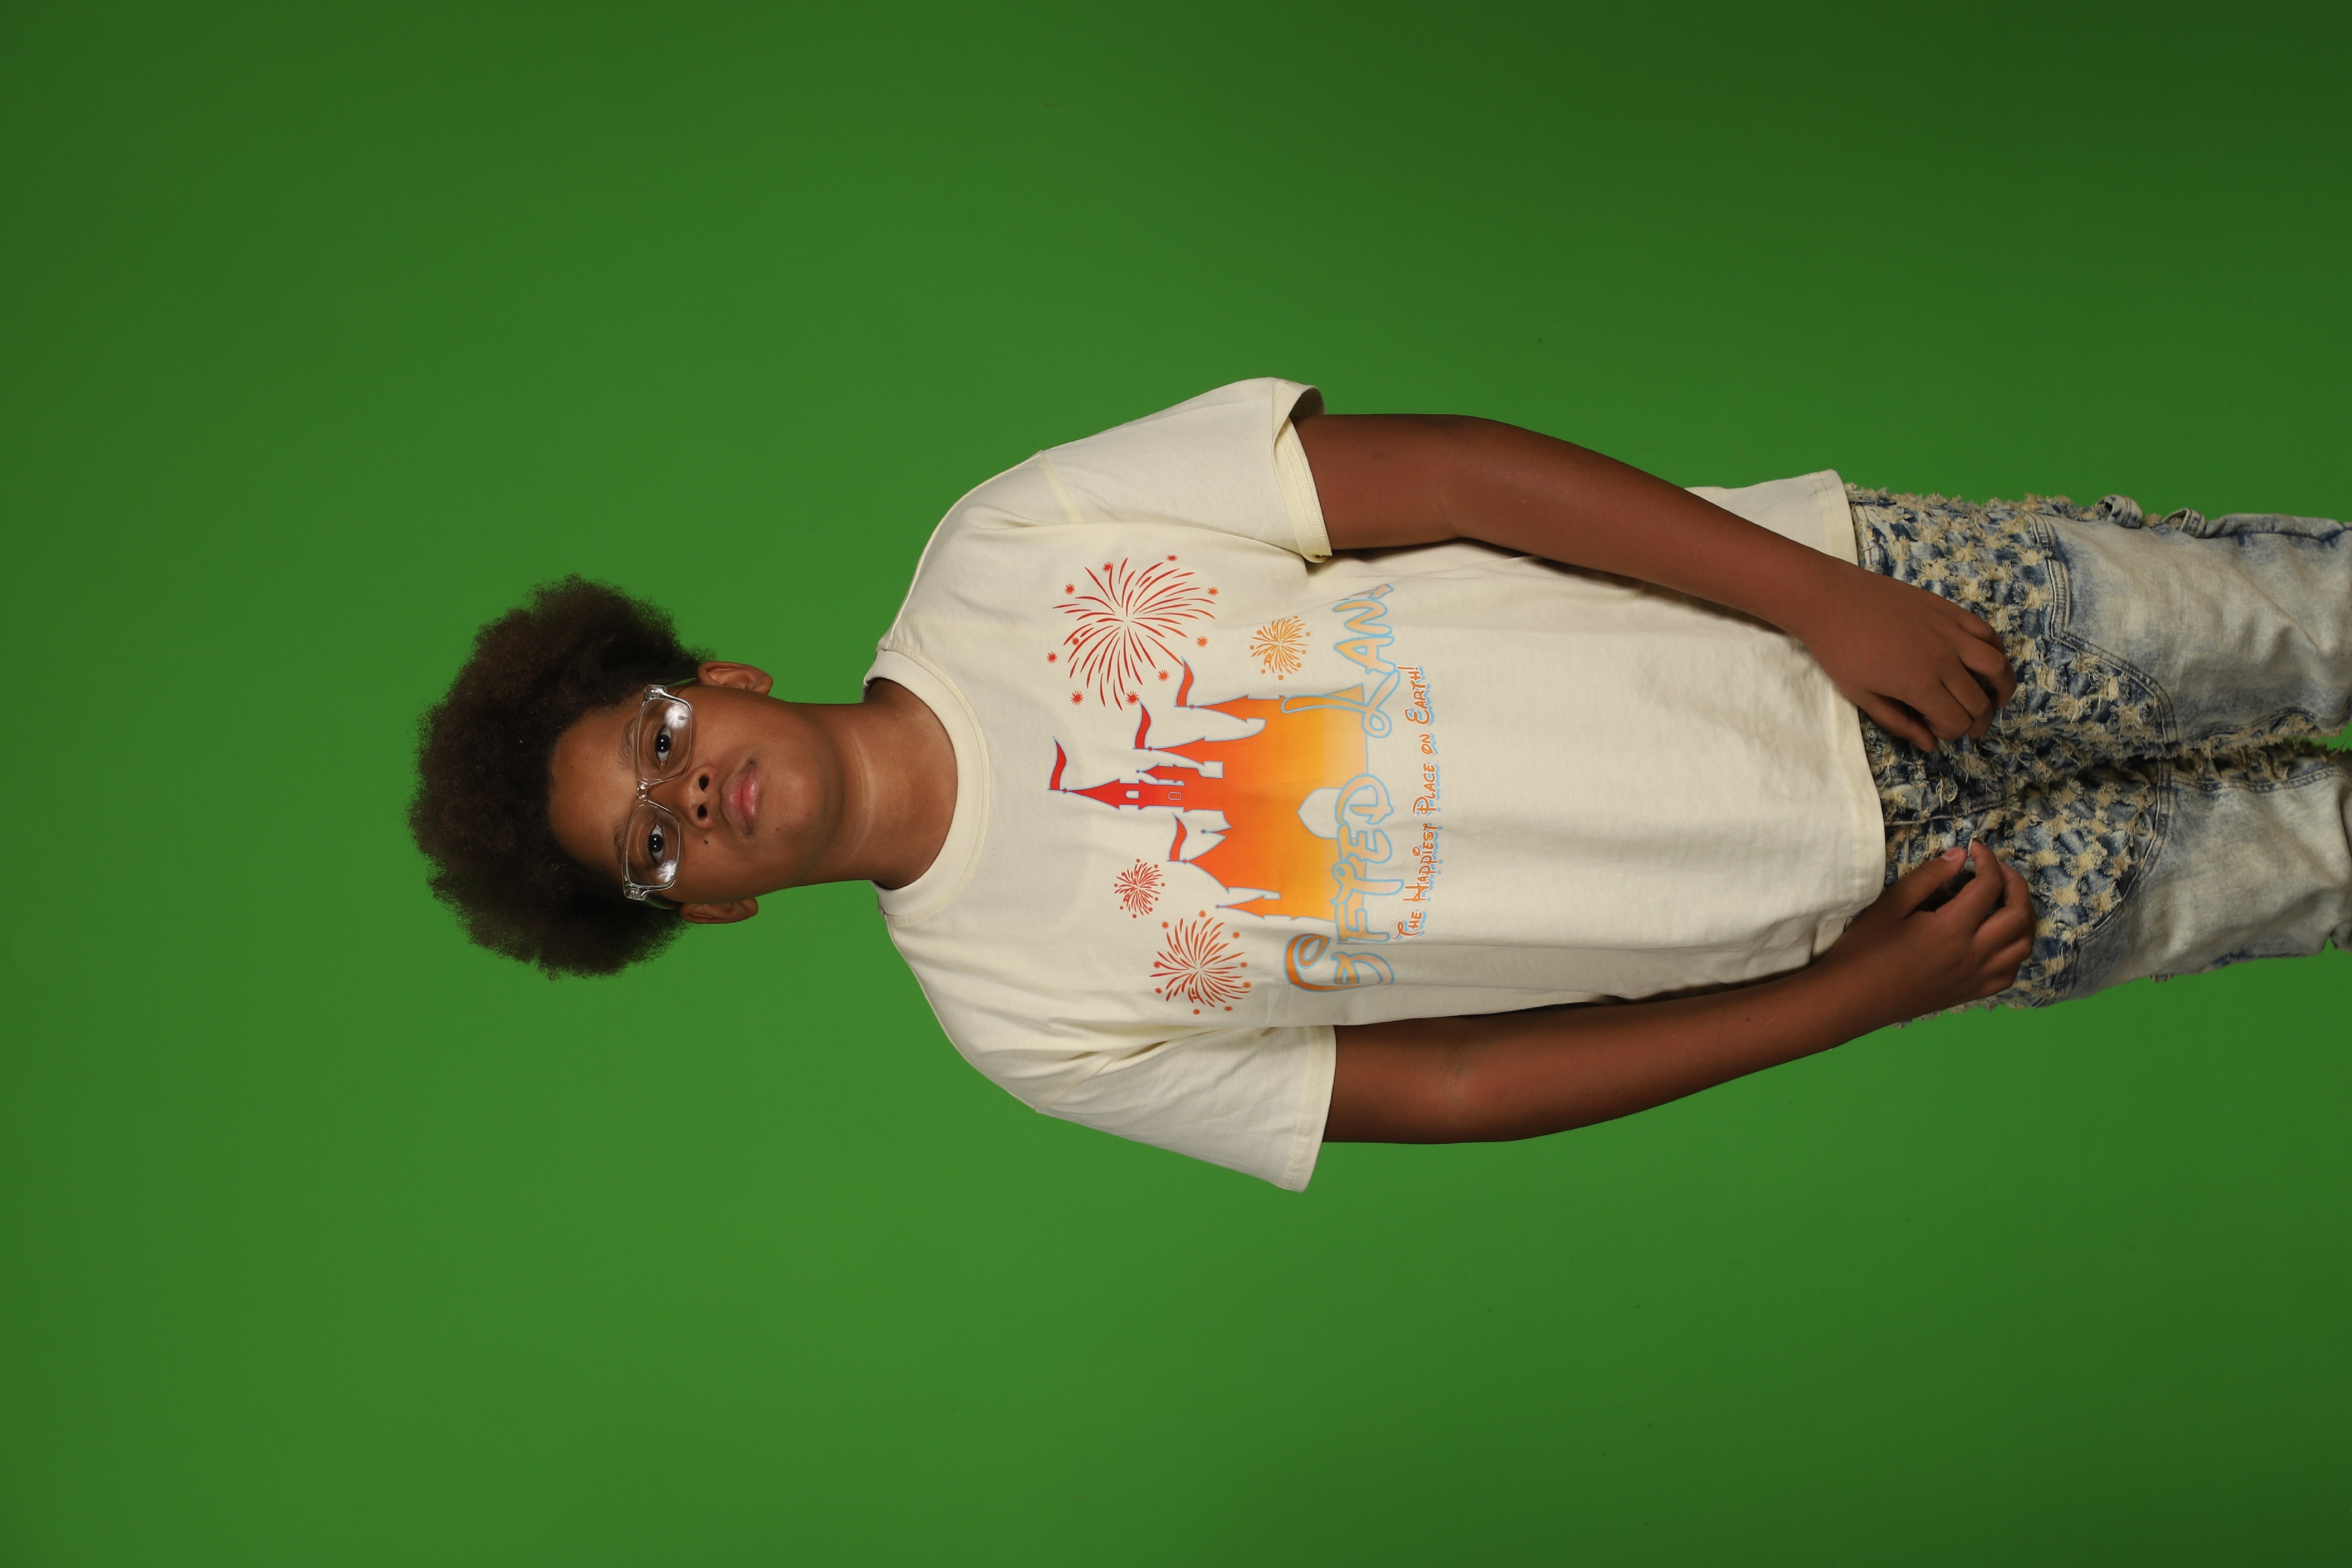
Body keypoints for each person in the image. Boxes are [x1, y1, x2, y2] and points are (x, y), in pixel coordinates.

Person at [409, 380, 2351, 1189]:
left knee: (2304, 626)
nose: (692, 800)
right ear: (708, 906)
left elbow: (1438, 476)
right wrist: (1856, 996)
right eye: (650, 849)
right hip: (1865, 914)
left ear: (718, 680)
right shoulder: (1017, 1019)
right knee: (2318, 859)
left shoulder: (1004, 550)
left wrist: (1817, 595)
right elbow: (1457, 1086)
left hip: (1861, 616)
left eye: (660, 742)